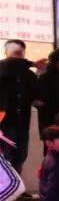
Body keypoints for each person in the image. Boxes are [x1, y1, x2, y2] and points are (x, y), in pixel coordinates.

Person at [0, 39, 38, 174]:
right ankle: (7, 190)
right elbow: (8, 65)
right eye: (16, 52)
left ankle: (17, 188)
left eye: (20, 52)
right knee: (6, 156)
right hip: (4, 122)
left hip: (21, 122)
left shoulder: (29, 74)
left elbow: (36, 96)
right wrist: (29, 63)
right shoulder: (3, 68)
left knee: (20, 156)